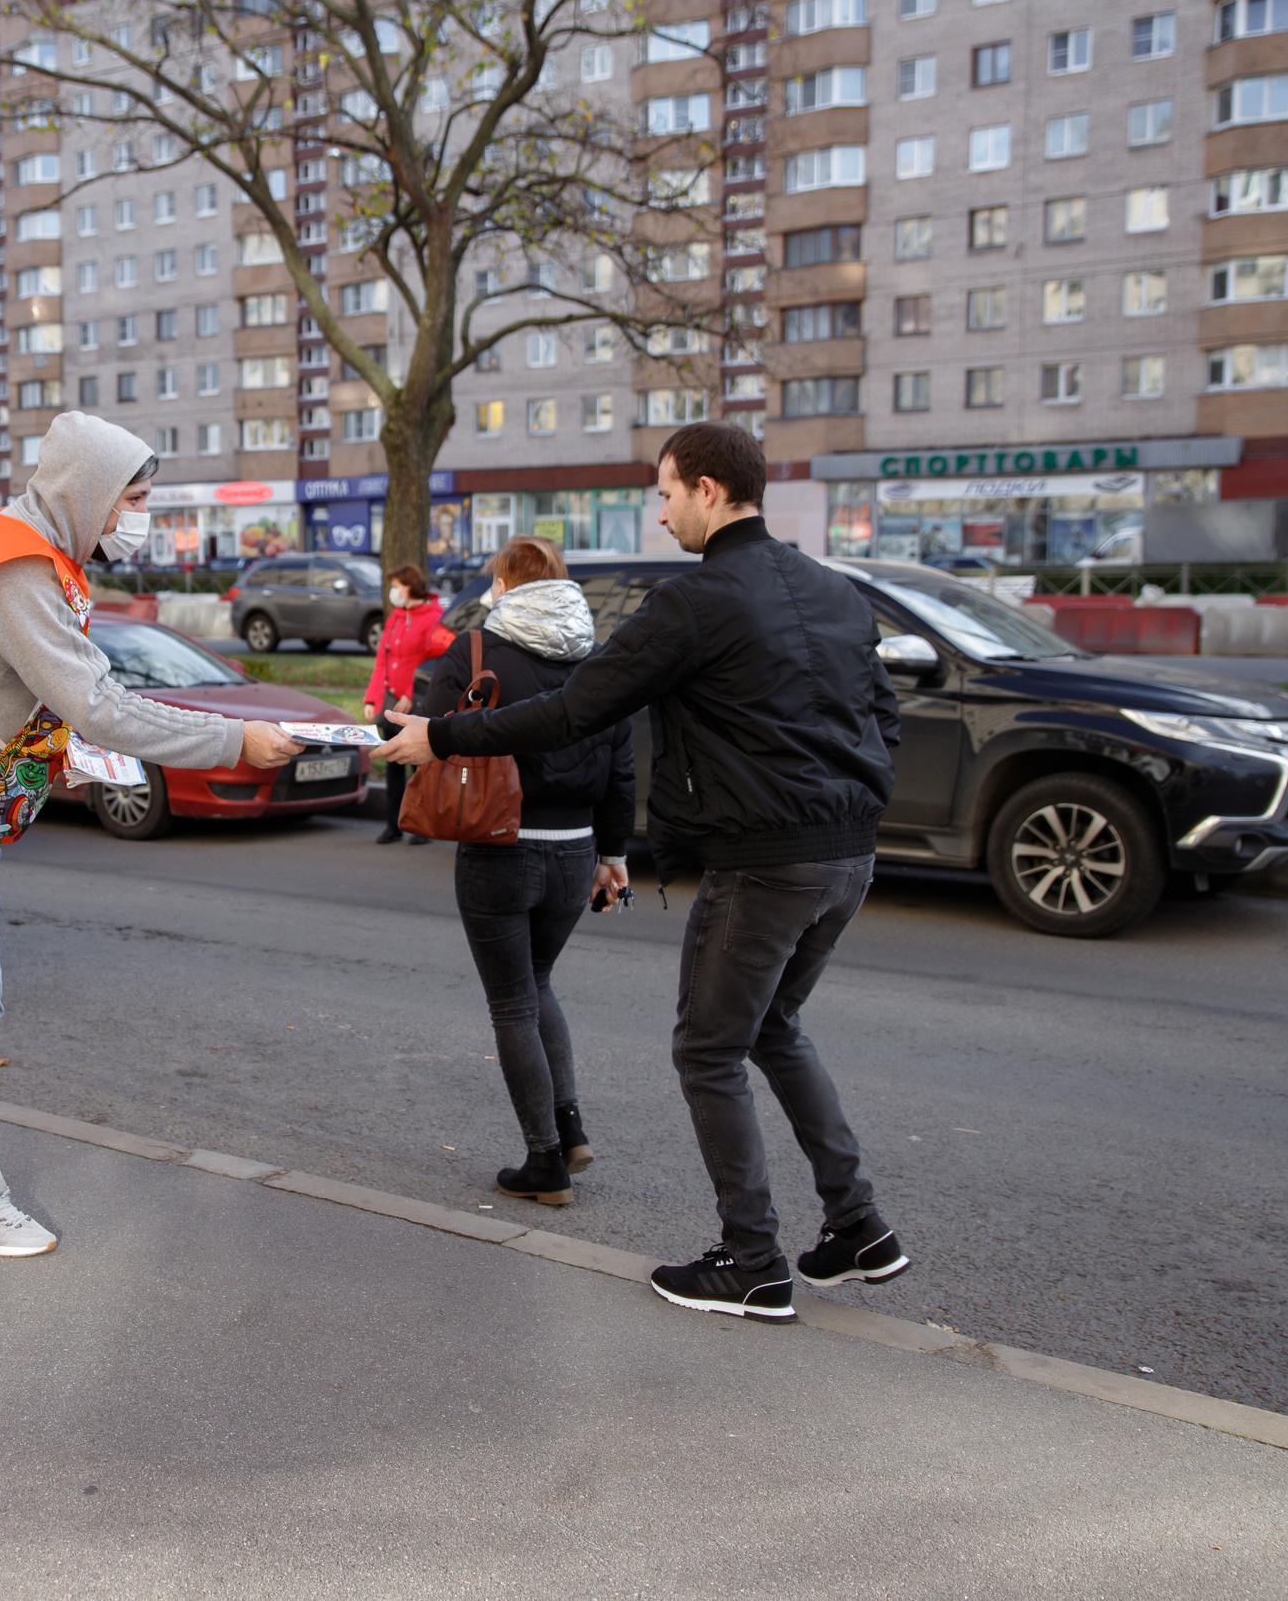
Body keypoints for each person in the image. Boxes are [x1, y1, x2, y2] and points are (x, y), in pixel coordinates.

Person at [375, 423, 909, 1323]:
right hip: (847, 857)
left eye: (664, 494)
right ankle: (859, 1228)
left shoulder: (693, 604)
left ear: (707, 488)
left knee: (708, 1049)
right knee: (773, 1026)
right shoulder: (838, 592)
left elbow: (574, 711)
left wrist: (443, 734)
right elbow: (882, 719)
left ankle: (752, 1262)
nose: (658, 515)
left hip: (765, 863)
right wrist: (848, 805)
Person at [0, 410, 302, 1256]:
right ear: (91, 495)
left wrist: (52, 758)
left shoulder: (7, 541)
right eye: (136, 498)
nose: (140, 516)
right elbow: (102, 706)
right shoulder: (23, 577)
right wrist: (236, 739)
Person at [417, 538, 632, 1204]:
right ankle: (569, 1129)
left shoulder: (477, 651)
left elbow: (433, 731)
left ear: (505, 584)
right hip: (575, 851)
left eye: (494, 582)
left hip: (497, 847)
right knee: (539, 985)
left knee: (513, 1002)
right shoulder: (598, 661)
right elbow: (622, 768)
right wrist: (614, 856)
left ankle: (545, 1161)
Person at [361, 563, 453, 844]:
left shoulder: (434, 616)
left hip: (417, 704)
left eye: (397, 586)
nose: (393, 592)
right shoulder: (396, 617)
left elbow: (438, 661)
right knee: (392, 762)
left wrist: (412, 695)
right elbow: (383, 660)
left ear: (411, 586)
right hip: (390, 703)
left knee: (418, 766)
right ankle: (394, 823)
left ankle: (421, 825)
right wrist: (371, 698)